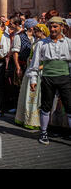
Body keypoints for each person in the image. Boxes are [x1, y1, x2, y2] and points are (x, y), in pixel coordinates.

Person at [26, 17, 71, 145]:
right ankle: (44, 133)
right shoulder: (42, 44)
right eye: (51, 27)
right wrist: (33, 80)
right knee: (46, 106)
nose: (52, 29)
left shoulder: (68, 43)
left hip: (64, 78)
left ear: (62, 27)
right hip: (47, 78)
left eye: (55, 27)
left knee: (69, 107)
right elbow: (35, 64)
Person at [15, 23, 48, 129]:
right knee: (27, 94)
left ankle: (36, 120)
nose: (34, 32)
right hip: (31, 70)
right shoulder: (36, 41)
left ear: (42, 31)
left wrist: (40, 66)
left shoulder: (45, 43)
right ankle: (25, 118)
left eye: (37, 30)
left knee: (36, 96)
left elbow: (46, 59)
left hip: (39, 71)